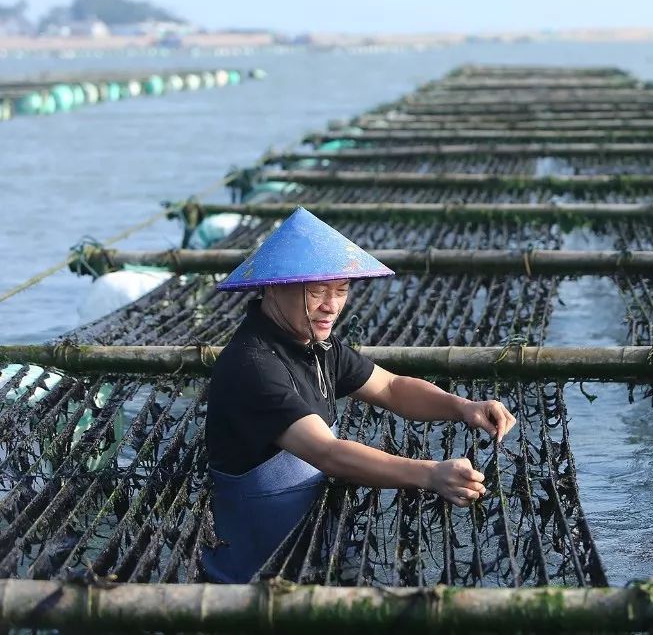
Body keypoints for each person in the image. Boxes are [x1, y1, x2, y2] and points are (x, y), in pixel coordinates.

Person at [201, 207, 517, 582]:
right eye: (316, 291)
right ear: (272, 287)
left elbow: (391, 387)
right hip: (251, 579)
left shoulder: (316, 344)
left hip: (306, 554)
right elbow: (327, 453)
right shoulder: (252, 366)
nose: (331, 305)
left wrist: (463, 407)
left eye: (341, 290)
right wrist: (431, 474)